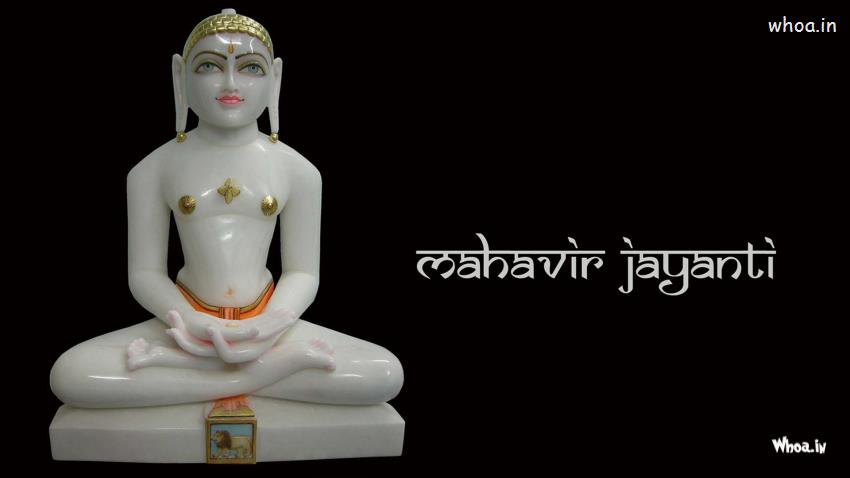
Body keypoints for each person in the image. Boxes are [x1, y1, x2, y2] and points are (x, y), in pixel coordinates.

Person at [50, 9, 403, 408]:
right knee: (70, 374)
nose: (231, 84)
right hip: (182, 322)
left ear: (276, 78)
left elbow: (303, 272)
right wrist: (191, 321)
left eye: (251, 68)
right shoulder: (154, 168)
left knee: (384, 372)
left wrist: (270, 325)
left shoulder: (298, 170)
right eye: (209, 67)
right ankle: (266, 372)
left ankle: (203, 375)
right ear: (180, 76)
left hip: (268, 322)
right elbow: (145, 274)